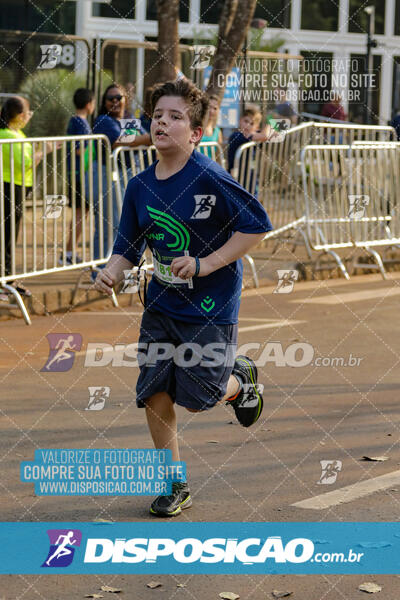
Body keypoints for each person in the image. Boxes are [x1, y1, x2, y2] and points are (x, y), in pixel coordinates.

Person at [95, 78, 273, 517]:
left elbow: (256, 224)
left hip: (210, 305)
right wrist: (111, 273)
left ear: (195, 133)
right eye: (158, 115)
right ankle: (174, 485)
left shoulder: (210, 176)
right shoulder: (139, 186)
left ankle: (241, 381)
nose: (163, 123)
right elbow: (127, 246)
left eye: (176, 117)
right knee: (155, 393)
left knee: (202, 396)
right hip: (161, 303)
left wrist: (208, 262)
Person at [92, 84, 151, 266]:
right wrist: (149, 138)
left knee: (127, 224)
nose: (115, 101)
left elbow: (139, 138)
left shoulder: (128, 119)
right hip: (105, 175)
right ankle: (101, 268)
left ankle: (119, 269)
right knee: (109, 224)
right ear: (104, 102)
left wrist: (145, 138)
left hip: (126, 175)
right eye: (111, 98)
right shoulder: (103, 120)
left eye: (119, 97)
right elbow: (119, 141)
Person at [0, 96, 42, 300]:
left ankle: (8, 279)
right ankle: (5, 280)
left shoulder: (17, 134)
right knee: (6, 235)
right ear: (19, 115)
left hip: (18, 187)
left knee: (10, 234)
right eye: (28, 113)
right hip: (9, 187)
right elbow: (24, 162)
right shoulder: (8, 135)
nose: (29, 117)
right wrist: (45, 152)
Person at [61, 88, 96, 266]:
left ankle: (69, 251)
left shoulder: (77, 121)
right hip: (79, 174)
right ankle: (68, 253)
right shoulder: (80, 123)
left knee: (81, 214)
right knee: (80, 215)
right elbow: (78, 149)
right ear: (89, 104)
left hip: (78, 173)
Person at [227, 107, 271, 174]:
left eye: (252, 124)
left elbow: (274, 134)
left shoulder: (254, 135)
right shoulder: (236, 136)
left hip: (251, 178)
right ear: (240, 120)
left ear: (257, 127)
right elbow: (265, 136)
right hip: (236, 178)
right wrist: (269, 124)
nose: (247, 125)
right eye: (246, 121)